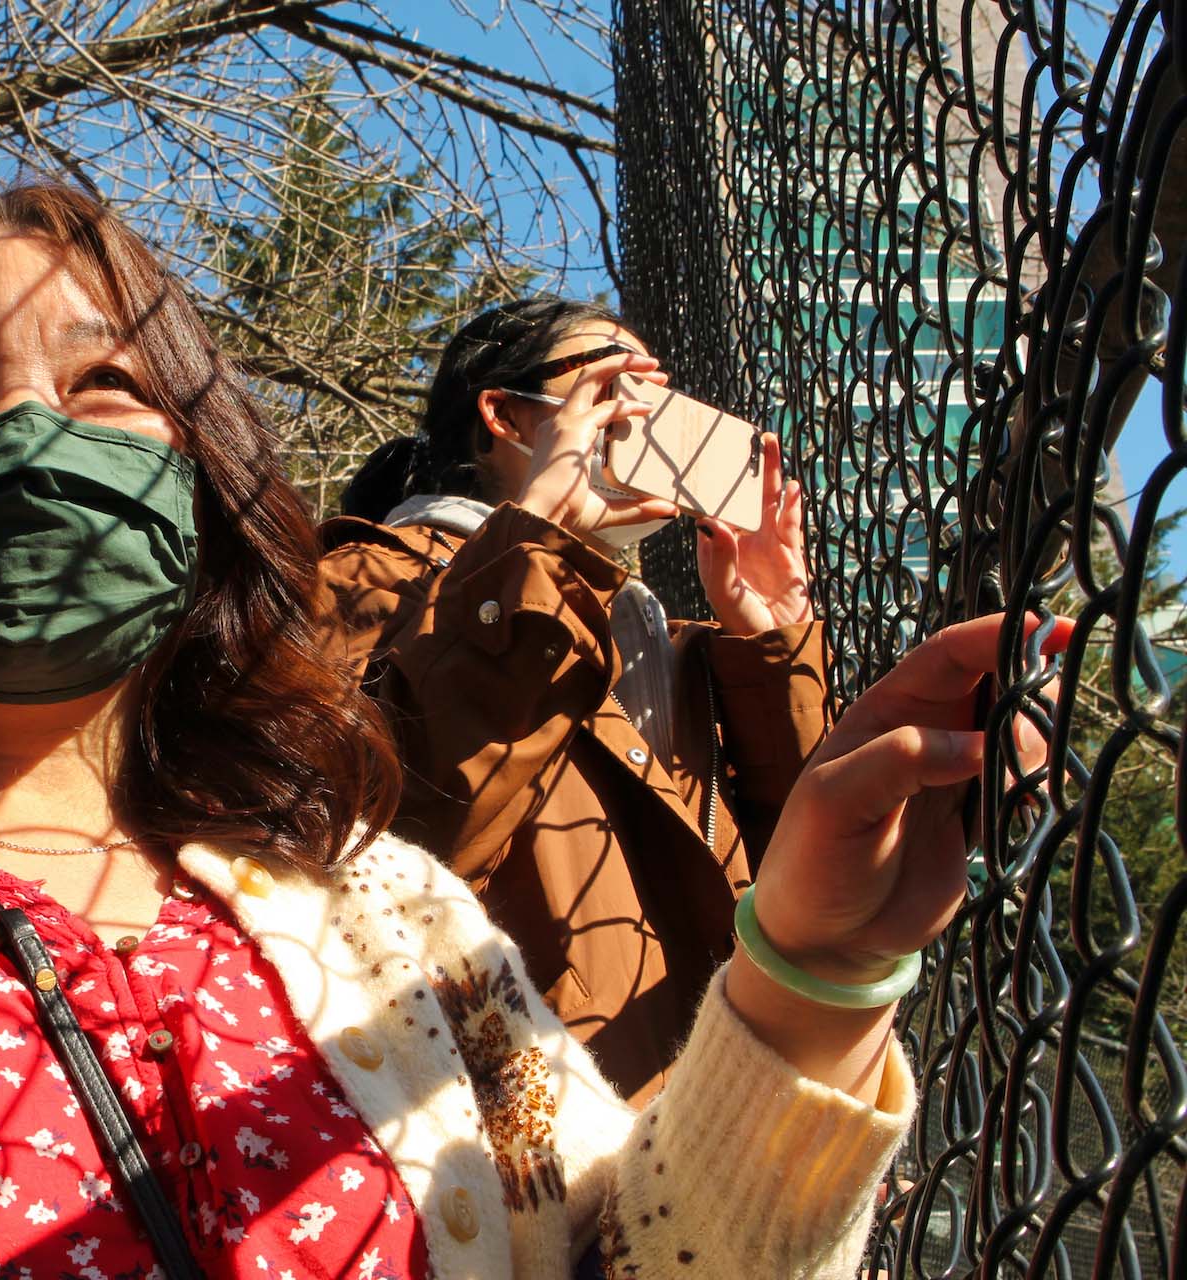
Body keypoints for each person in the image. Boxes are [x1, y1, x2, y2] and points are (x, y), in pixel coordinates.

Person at [0, 182, 1040, 1280]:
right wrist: (542, 540)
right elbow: (458, 771)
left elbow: (636, 1252)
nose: (27, 428)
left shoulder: (384, 924)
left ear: (201, 480)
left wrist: (808, 971)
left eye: (108, 392)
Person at [322, 298, 828, 1104]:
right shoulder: (371, 578)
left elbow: (804, 876)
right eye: (618, 386)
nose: (648, 418)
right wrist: (537, 547)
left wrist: (773, 647)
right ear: (508, 416)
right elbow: (400, 836)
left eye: (663, 400)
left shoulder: (672, 641)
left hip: (701, 1109)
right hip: (498, 1119)